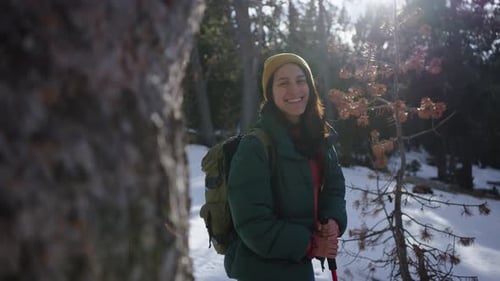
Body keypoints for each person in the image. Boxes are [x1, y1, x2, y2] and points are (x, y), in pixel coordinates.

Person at [224, 53, 347, 281]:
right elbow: (253, 224)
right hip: (261, 271)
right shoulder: (255, 146)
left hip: (298, 266)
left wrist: (333, 220)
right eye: (283, 83)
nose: (294, 90)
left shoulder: (318, 137)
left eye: (301, 81)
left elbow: (335, 186)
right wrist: (310, 245)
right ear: (270, 93)